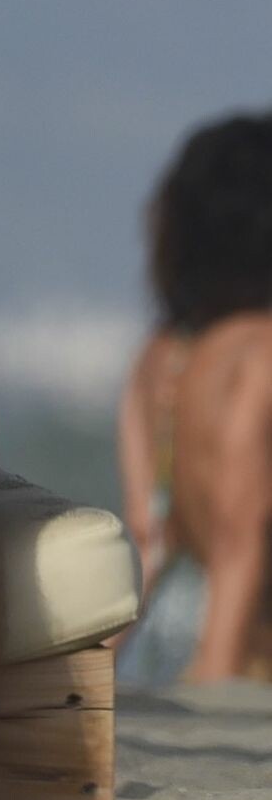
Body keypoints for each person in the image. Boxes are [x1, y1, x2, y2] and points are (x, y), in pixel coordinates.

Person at [116, 110, 272, 684]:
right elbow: (242, 536)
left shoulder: (161, 359)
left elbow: (149, 540)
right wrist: (217, 683)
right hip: (245, 677)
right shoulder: (262, 353)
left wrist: (77, 683)